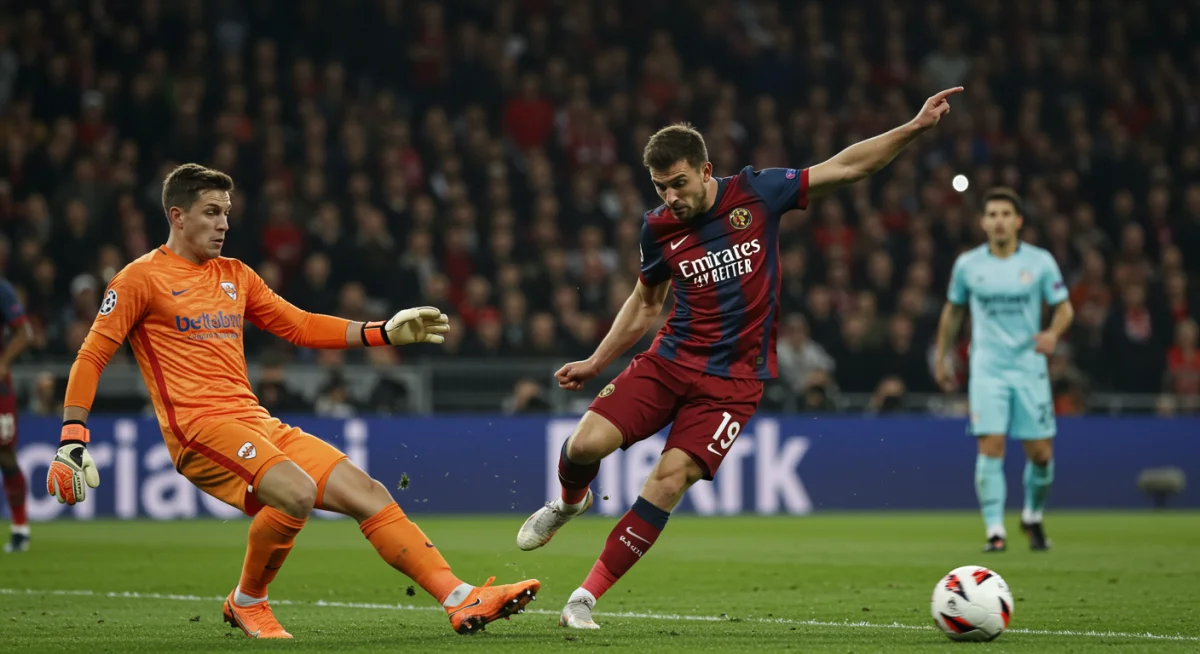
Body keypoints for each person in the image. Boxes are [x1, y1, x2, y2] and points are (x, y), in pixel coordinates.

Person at [516, 88, 965, 629]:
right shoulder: (657, 228)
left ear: (706, 170)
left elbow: (845, 168)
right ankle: (568, 504)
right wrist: (595, 361)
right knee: (585, 443)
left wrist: (913, 127)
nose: (671, 197)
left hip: (733, 381)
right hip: (671, 360)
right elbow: (645, 304)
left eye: (679, 183)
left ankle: (583, 600)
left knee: (668, 480)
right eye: (660, 187)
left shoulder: (758, 192)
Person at [45, 164, 539, 638]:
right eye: (211, 212)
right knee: (296, 492)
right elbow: (91, 356)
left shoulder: (234, 274)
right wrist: (72, 436)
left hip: (253, 421)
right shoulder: (140, 278)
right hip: (199, 431)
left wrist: (382, 331)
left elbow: (298, 324)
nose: (223, 224)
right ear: (177, 216)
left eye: (227, 213)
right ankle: (249, 602)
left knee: (367, 493)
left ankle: (460, 598)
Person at [934, 187, 1075, 553]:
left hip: (1029, 367)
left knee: (1041, 455)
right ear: (983, 222)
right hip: (988, 368)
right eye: (992, 214)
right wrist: (942, 356)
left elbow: (1064, 309)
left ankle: (1032, 514)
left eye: (1005, 214)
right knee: (991, 445)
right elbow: (953, 312)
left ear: (1018, 221)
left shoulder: (1040, 262)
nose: (999, 221)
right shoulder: (968, 265)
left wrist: (1052, 334)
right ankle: (995, 531)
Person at [0, 276, 33, 552]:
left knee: (5, 454)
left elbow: (24, 332)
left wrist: (4, 360)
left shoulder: (2, 290)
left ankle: (20, 528)